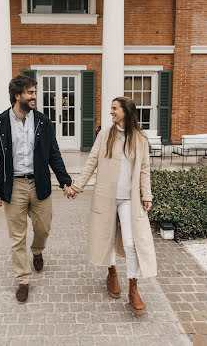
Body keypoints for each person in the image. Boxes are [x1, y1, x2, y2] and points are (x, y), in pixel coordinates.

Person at [65, 97, 157, 316]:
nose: (111, 112)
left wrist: (147, 194)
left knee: (131, 243)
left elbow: (144, 168)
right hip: (105, 197)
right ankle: (112, 272)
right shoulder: (105, 134)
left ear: (126, 111)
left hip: (129, 199)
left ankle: (133, 288)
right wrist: (76, 187)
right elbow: (91, 162)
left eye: (114, 109)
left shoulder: (141, 138)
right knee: (106, 237)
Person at [0, 75, 72, 303]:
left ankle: (37, 250)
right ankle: (23, 279)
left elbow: (54, 153)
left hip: (39, 183)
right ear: (17, 95)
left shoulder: (43, 122)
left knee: (44, 227)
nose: (34, 97)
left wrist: (64, 180)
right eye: (30, 93)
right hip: (13, 186)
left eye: (34, 92)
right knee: (16, 237)